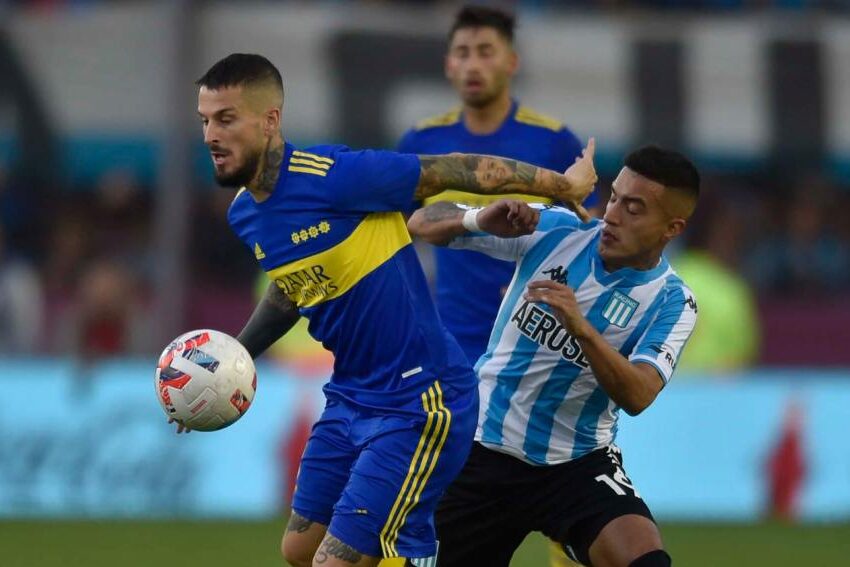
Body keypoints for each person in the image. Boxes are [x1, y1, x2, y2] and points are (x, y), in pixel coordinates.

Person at [186, 53, 597, 567]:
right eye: (205, 120)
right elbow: (292, 288)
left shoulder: (338, 176)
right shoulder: (246, 213)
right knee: (299, 549)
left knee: (336, 563)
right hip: (350, 396)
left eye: (226, 119)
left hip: (419, 397)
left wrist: (563, 186)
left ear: (270, 120)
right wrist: (229, 364)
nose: (210, 135)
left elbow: (462, 169)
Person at [407, 145, 700, 567]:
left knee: (646, 561)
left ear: (671, 227)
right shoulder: (558, 229)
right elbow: (421, 222)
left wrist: (582, 329)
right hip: (480, 450)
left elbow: (639, 395)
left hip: (575, 464)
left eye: (634, 209)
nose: (613, 214)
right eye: (614, 197)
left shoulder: (673, 301)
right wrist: (478, 218)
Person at [398, 5, 598, 369]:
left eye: (486, 52)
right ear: (449, 65)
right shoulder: (422, 140)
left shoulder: (552, 141)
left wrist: (555, 285)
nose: (473, 65)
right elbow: (393, 232)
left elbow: (592, 227)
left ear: (512, 62)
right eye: (463, 53)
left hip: (533, 337)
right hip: (449, 337)